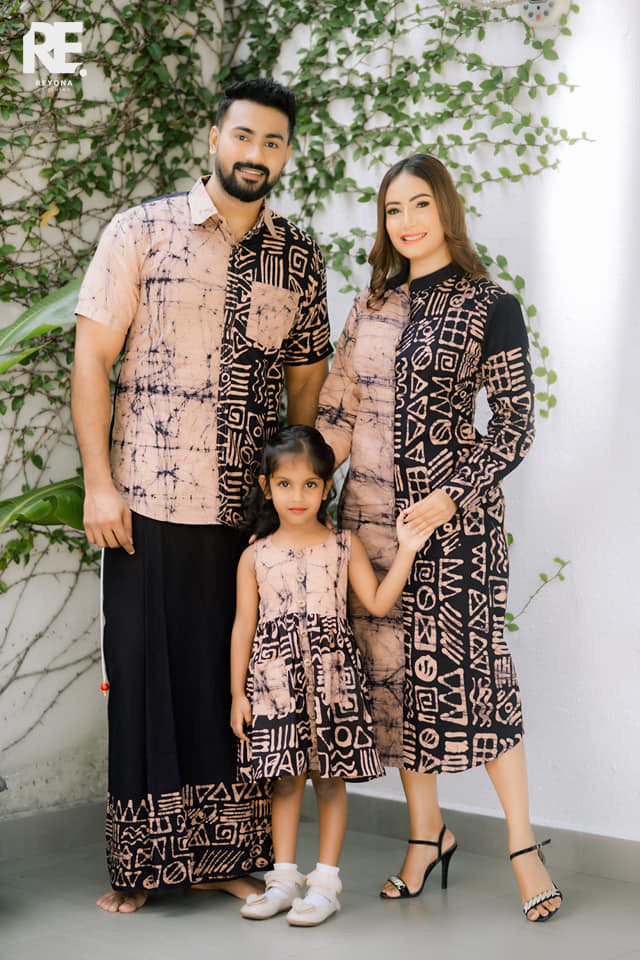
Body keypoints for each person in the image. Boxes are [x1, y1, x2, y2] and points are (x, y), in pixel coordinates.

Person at [71, 77, 332, 913]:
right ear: (213, 138)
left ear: (285, 155)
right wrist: (99, 483)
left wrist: (292, 498)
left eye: (273, 142)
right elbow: (92, 360)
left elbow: (306, 382)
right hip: (145, 500)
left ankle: (222, 860)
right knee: (145, 677)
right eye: (244, 136)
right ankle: (144, 868)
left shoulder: (299, 256)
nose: (257, 154)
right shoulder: (140, 230)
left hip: (247, 517)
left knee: (235, 687)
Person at [316, 154, 563, 922]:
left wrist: (449, 497)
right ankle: (427, 837)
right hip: (368, 527)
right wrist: (298, 495)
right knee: (396, 686)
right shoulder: (371, 305)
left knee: (478, 679)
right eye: (393, 210)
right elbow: (337, 416)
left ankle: (523, 847)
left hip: (455, 533)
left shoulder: (490, 303)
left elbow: (515, 425)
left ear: (446, 209)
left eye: (419, 204)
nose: (407, 222)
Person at [229, 425, 427, 926]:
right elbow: (243, 626)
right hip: (275, 687)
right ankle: (282, 881)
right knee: (285, 782)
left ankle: (325, 885)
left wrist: (406, 548)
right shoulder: (255, 555)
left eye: (310, 484)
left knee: (330, 781)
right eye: (285, 484)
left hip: (334, 684)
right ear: (266, 486)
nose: (297, 496)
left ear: (326, 488)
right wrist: (237, 695)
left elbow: (378, 602)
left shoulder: (343, 545)